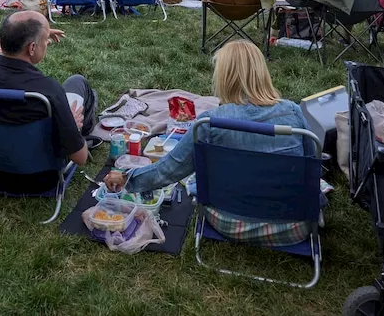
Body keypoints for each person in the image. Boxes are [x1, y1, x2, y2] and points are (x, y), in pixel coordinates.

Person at [104, 40, 314, 245]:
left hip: (230, 222)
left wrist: (125, 178)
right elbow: (311, 166)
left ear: (224, 77)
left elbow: (169, 170)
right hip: (294, 225)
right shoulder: (294, 112)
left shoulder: (209, 123)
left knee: (198, 176)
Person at [0, 10, 94, 192]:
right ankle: (82, 128)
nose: (46, 43)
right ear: (32, 48)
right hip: (40, 178)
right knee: (77, 82)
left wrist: (33, 37)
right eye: (44, 41)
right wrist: (72, 124)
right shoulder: (47, 90)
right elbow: (80, 158)